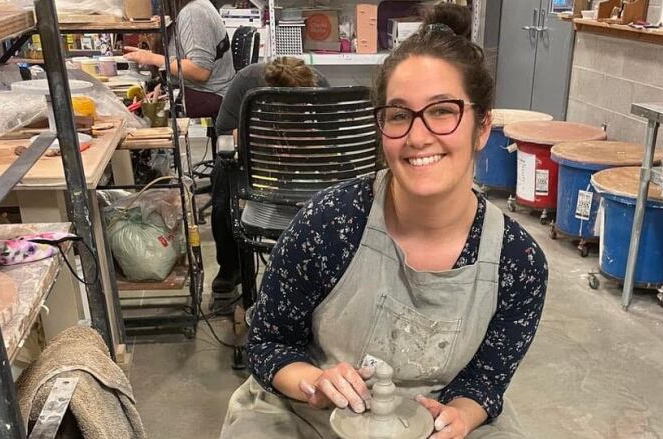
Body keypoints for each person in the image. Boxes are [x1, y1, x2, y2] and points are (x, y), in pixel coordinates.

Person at [221, 4, 548, 439]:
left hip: (432, 422)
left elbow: (485, 382)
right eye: (398, 115)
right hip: (315, 414)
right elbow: (267, 344)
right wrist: (312, 380)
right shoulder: (331, 223)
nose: (417, 136)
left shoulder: (517, 262)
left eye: (442, 111)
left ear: (482, 126)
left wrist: (463, 416)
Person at [210, 57, 329, 311]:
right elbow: (223, 129)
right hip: (256, 156)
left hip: (302, 159)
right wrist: (252, 136)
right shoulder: (246, 81)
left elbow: (330, 141)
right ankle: (230, 268)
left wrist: (306, 141)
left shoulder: (319, 88)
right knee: (222, 173)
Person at [123, 0, 234, 118]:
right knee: (136, 101)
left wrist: (154, 58)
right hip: (203, 92)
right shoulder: (193, 7)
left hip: (210, 95)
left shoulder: (193, 12)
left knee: (138, 113)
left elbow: (200, 70)